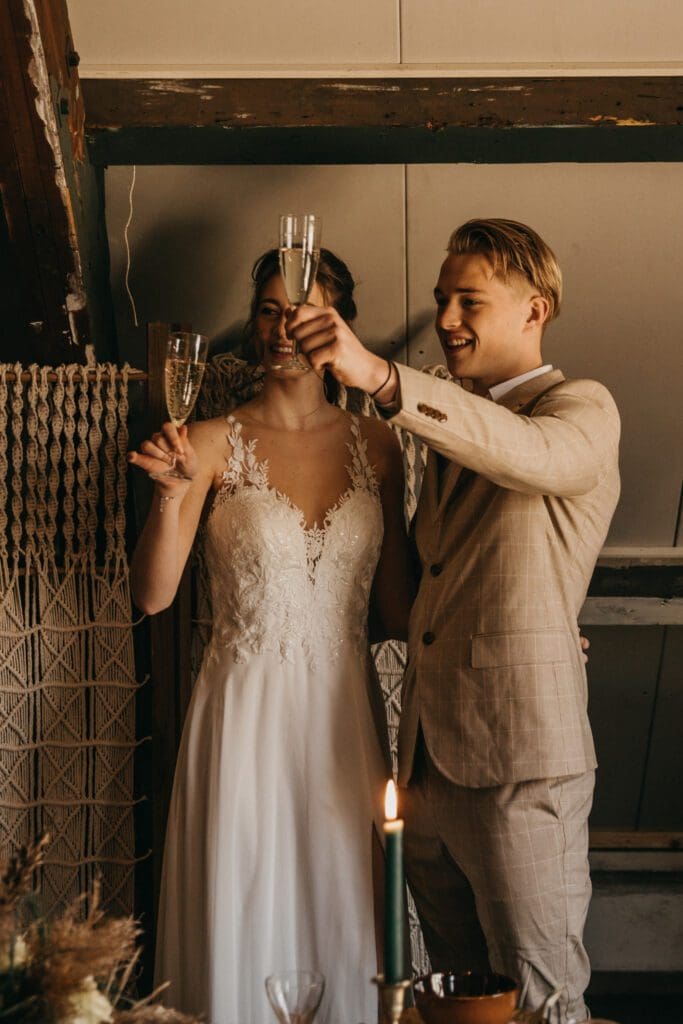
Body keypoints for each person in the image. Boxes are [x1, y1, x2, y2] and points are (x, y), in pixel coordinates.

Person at [288, 218, 621, 1024]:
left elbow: (531, 455)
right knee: (457, 1004)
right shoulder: (445, 436)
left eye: (468, 300)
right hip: (428, 769)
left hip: (518, 764)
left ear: (534, 310)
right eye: (441, 299)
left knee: (540, 1001)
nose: (444, 319)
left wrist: (382, 378)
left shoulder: (581, 408)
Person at [128, 248, 414, 1024]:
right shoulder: (208, 441)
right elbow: (152, 595)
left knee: (345, 912)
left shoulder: (378, 446)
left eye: (303, 310)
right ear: (253, 325)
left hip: (345, 721)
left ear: (338, 325)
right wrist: (169, 497)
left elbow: (399, 612)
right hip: (243, 716)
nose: (283, 327)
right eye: (267, 310)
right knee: (246, 908)